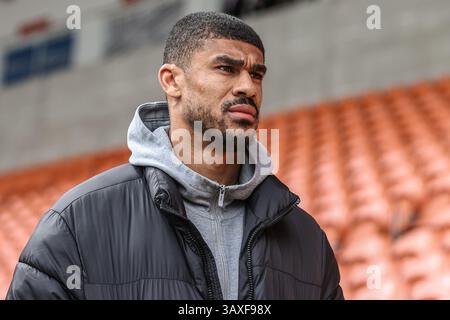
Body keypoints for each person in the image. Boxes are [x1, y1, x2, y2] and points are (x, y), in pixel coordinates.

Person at [7, 11, 344, 300]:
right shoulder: (78, 222)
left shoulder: (306, 239)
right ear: (172, 81)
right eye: (227, 68)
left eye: (256, 74)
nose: (249, 87)